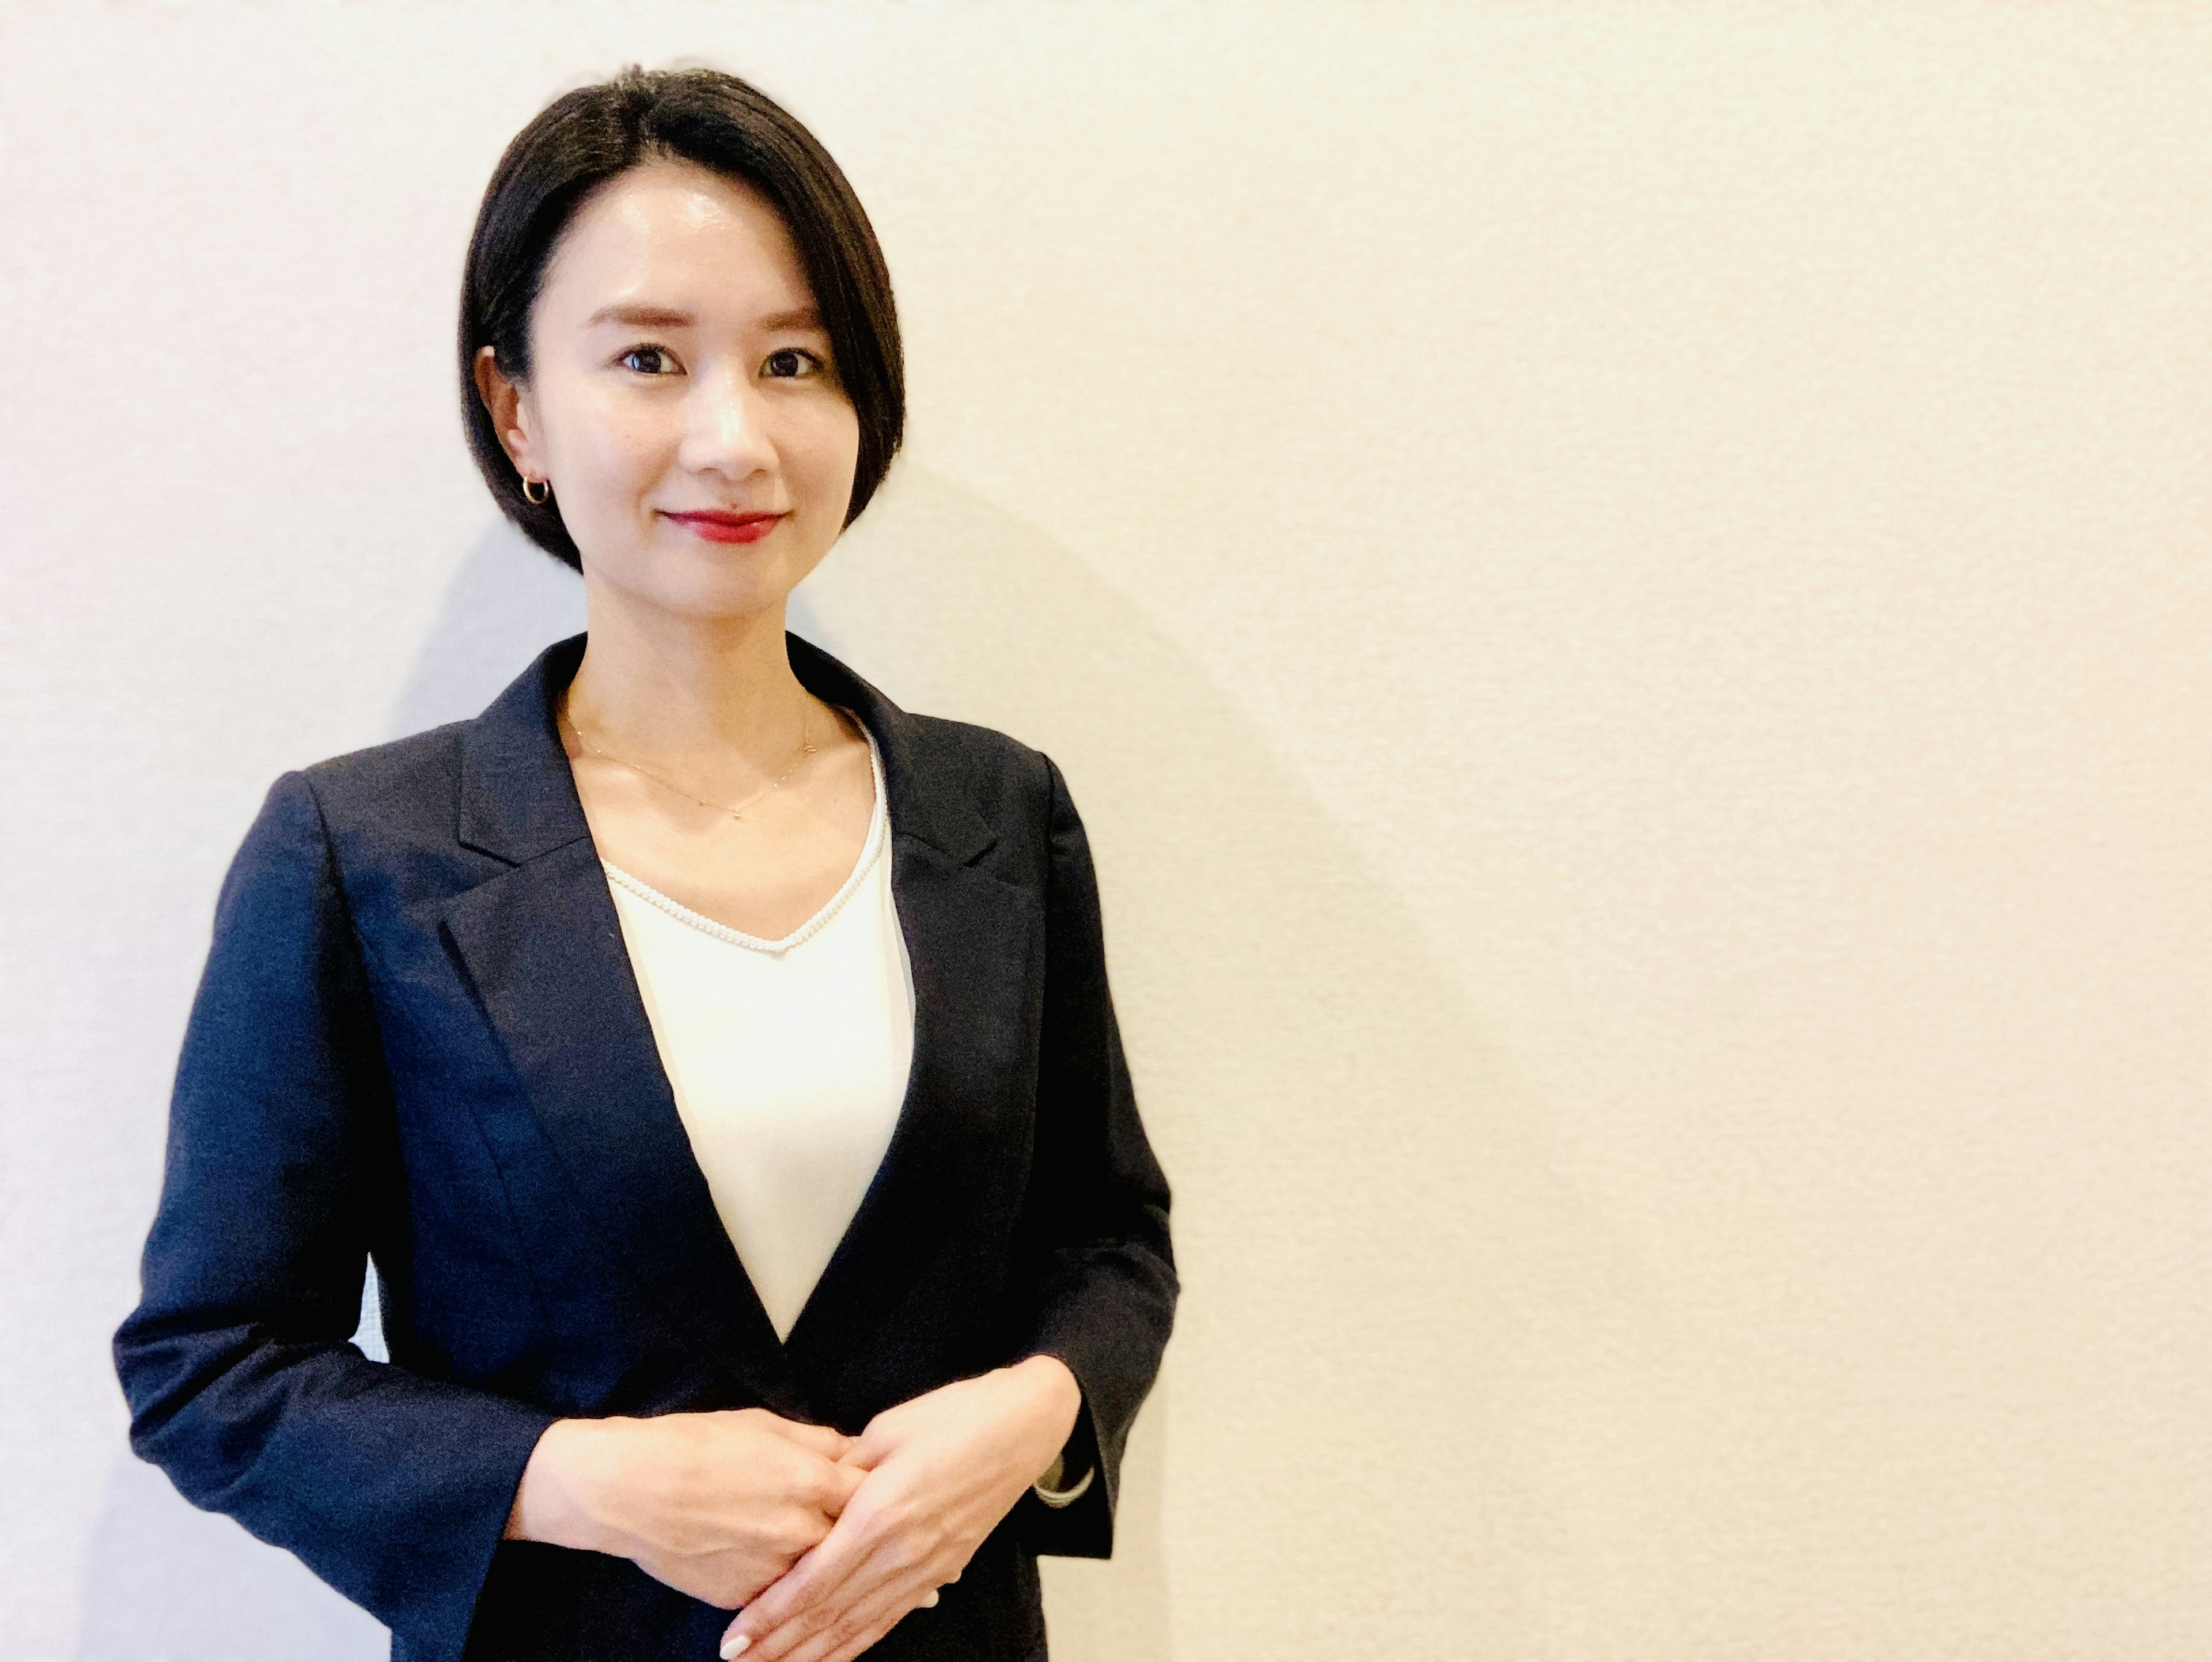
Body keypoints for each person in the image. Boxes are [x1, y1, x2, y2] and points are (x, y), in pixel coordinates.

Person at [111, 64, 1176, 1662]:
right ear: (518, 408)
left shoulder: (999, 814)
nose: (733, 439)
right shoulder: (361, 857)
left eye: (796, 360)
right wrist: (576, 1478)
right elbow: (212, 1363)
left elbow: (1108, 1242)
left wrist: (1039, 1412)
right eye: (650, 360)